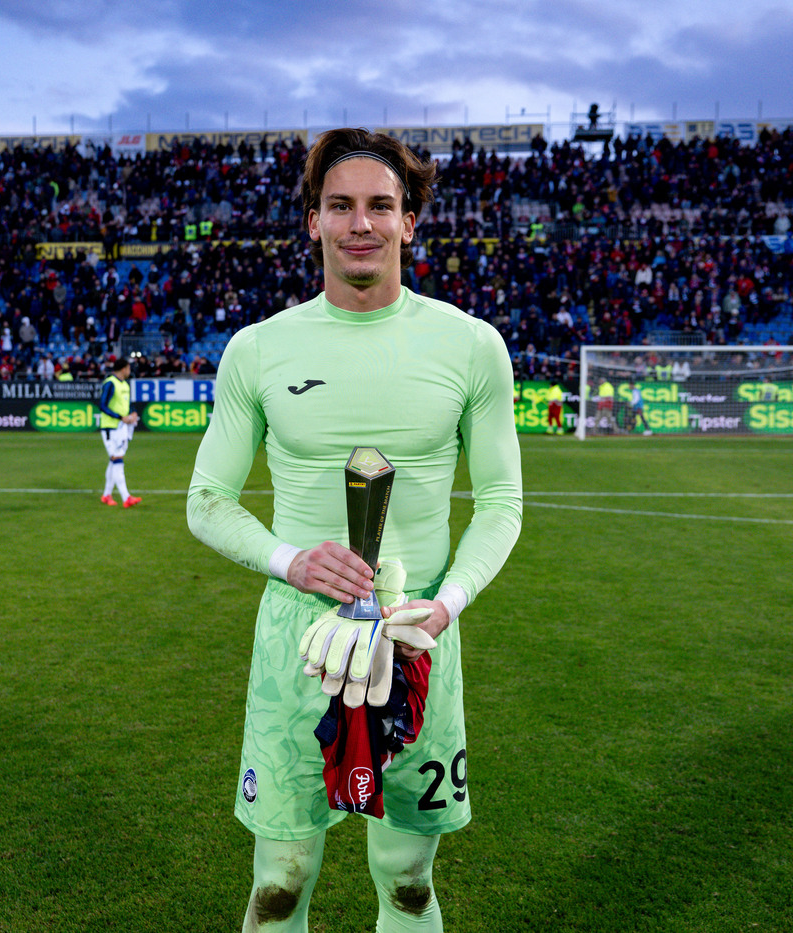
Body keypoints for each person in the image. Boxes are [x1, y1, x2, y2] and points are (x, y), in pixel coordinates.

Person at [187, 128, 522, 932]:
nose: (359, 223)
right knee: (279, 883)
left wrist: (448, 606)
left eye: (381, 205)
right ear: (313, 220)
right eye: (340, 205)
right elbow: (206, 500)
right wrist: (291, 560)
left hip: (419, 642)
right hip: (298, 646)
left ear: (410, 220)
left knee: (406, 877)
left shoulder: (472, 347)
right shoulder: (258, 350)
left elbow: (502, 501)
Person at [98, 356, 141, 508]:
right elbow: (102, 405)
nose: (130, 371)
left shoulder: (125, 385)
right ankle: (126, 497)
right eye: (129, 368)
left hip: (121, 427)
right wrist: (120, 417)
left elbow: (127, 404)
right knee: (117, 459)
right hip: (110, 427)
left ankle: (106, 495)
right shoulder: (110, 383)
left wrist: (133, 413)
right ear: (123, 368)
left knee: (114, 460)